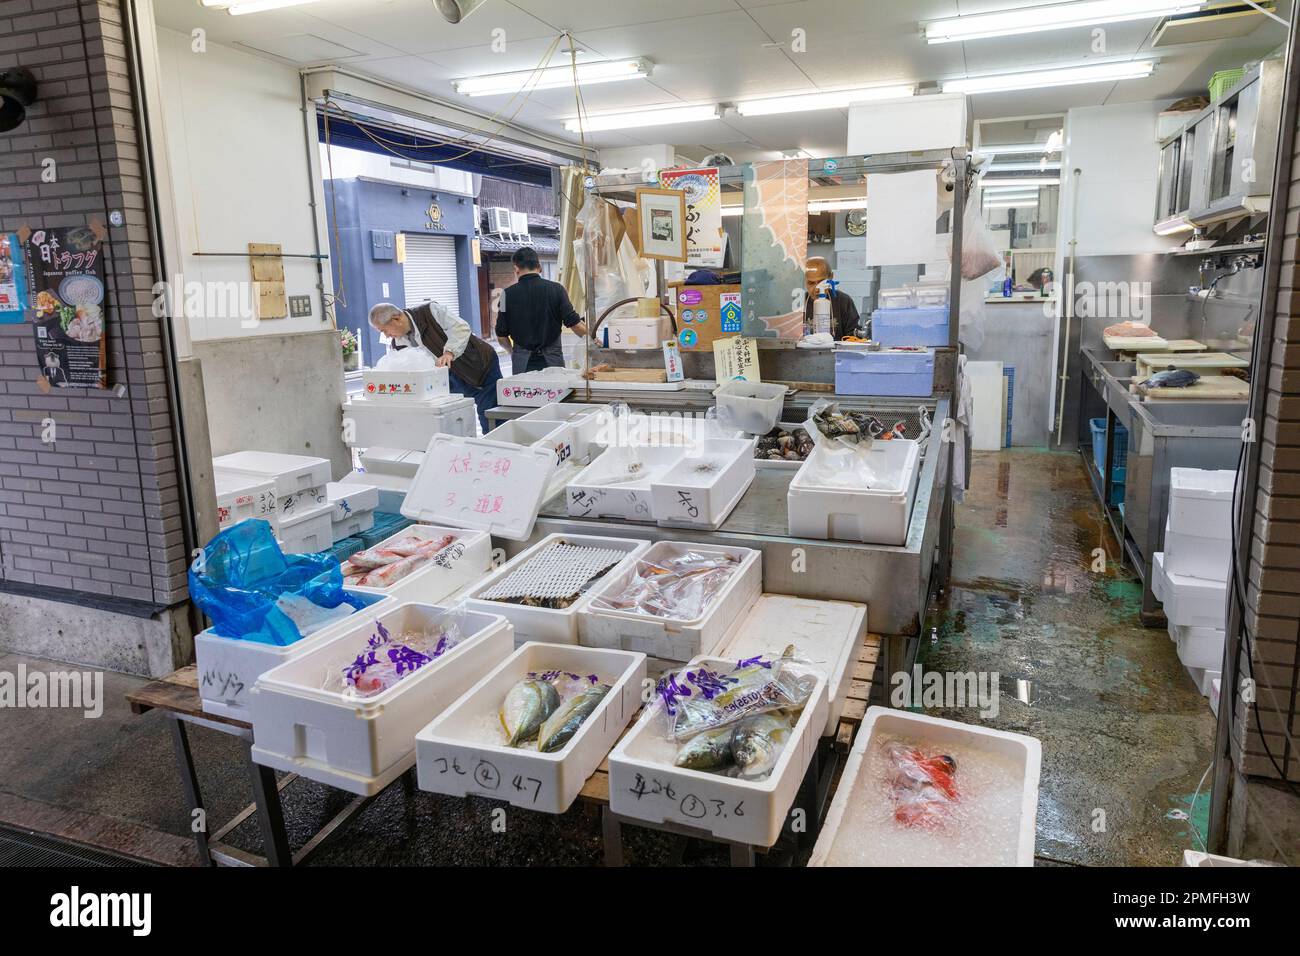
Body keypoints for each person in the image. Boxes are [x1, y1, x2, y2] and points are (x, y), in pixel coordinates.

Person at [368, 300, 502, 433]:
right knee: (455, 415)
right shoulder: (398, 344)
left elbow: (461, 328)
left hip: (477, 365)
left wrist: (449, 352)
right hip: (446, 376)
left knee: (490, 416)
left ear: (396, 318)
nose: (385, 335)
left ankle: (500, 449)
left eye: (385, 330)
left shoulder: (430, 311)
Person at [495, 246, 589, 373]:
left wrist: (513, 353)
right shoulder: (557, 290)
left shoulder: (506, 295)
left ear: (516, 268)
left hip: (522, 365)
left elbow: (501, 336)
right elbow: (575, 324)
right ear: (539, 267)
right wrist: (595, 340)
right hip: (553, 362)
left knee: (524, 393)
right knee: (556, 393)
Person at [803, 256, 861, 340]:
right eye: (811, 283)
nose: (817, 289)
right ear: (805, 280)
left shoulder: (843, 301)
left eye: (821, 282)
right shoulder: (799, 304)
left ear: (831, 277)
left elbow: (853, 336)